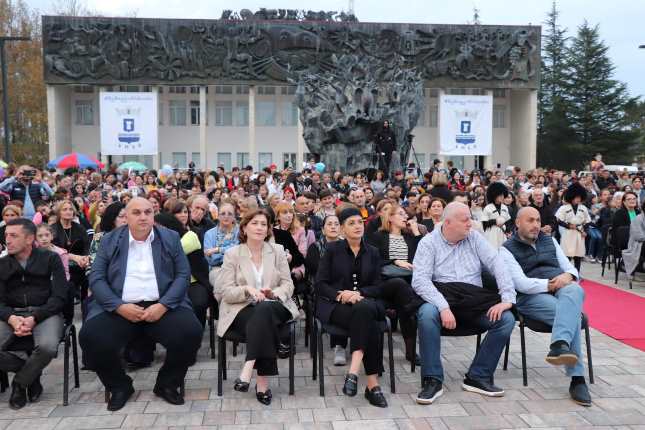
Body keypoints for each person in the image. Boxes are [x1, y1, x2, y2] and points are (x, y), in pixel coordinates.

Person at [79, 198, 202, 411]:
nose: (143, 217)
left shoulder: (170, 238)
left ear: (154, 215)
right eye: (136, 212)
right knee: (91, 337)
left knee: (191, 332)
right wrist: (118, 306)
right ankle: (119, 386)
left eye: (148, 212)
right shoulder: (110, 240)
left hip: (162, 305)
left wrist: (163, 305)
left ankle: (167, 384)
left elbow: (183, 275)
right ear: (126, 217)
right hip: (120, 307)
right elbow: (97, 278)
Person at [315, 207, 421, 408]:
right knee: (370, 319)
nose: (357, 226)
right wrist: (341, 294)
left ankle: (354, 373)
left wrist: (360, 294)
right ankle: (372, 386)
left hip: (364, 302)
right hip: (336, 306)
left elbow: (377, 285)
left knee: (364, 310)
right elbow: (320, 284)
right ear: (342, 230)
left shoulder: (372, 252)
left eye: (359, 222)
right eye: (351, 223)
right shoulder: (332, 250)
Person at [412, 202, 516, 404]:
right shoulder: (428, 242)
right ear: (448, 222)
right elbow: (420, 281)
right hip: (442, 299)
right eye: (465, 219)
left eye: (471, 218)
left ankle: (478, 376)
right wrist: (443, 307)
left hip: (473, 302)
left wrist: (507, 299)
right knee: (426, 314)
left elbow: (497, 264)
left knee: (506, 319)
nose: (471, 223)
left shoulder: (475, 238)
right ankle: (432, 379)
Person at [500, 207, 591, 406]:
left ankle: (559, 345)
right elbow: (521, 283)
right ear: (517, 223)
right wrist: (550, 284)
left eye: (538, 220)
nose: (535, 225)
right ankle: (577, 379)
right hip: (531, 297)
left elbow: (570, 268)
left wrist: (568, 276)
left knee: (575, 290)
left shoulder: (549, 240)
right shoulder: (506, 249)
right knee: (573, 315)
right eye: (530, 220)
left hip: (560, 288)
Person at [216, 209, 300, 405]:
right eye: (255, 223)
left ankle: (248, 365)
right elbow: (226, 291)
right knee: (263, 318)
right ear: (244, 227)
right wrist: (247, 289)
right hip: (242, 308)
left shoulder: (277, 251)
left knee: (265, 309)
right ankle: (262, 384)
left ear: (268, 229)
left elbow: (289, 284)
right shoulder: (232, 254)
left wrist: (274, 293)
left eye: (264, 224)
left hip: (276, 304)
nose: (260, 227)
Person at [0, 219, 68, 409]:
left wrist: (35, 318)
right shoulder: (2, 264)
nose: (8, 240)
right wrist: (12, 318)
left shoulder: (50, 258)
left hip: (44, 313)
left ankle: (20, 383)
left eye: (13, 235)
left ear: (30, 238)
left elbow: (60, 296)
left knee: (47, 347)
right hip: (11, 315)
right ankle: (30, 373)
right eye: (6, 235)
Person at [367, 203, 422, 364]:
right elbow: (372, 260)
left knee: (406, 301)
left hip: (408, 282)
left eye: (405, 215)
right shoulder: (378, 236)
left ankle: (411, 351)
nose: (405, 217)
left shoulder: (410, 237)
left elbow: (424, 254)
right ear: (390, 218)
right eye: (400, 214)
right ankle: (411, 352)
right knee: (403, 291)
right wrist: (395, 261)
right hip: (385, 282)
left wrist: (416, 231)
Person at [51, 200, 90, 299]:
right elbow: (53, 250)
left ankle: (85, 307)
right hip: (61, 266)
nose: (68, 212)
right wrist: (73, 257)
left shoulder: (80, 228)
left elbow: (87, 245)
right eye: (65, 209)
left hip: (80, 265)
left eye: (71, 209)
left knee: (86, 280)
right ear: (59, 212)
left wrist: (85, 258)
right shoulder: (52, 229)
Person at [555, 183, 591, 272]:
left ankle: (577, 273)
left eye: (579, 197)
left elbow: (588, 221)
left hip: (579, 233)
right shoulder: (564, 208)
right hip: (568, 233)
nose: (578, 199)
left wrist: (585, 230)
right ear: (571, 197)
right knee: (567, 254)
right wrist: (568, 225)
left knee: (578, 255)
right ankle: (565, 273)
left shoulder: (583, 208)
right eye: (576, 197)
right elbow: (558, 220)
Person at [204, 201, 240, 271]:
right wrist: (230, 255)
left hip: (237, 268)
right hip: (217, 269)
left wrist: (217, 250)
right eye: (223, 214)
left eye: (230, 214)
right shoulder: (209, 234)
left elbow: (238, 251)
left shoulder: (239, 232)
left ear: (234, 217)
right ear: (218, 216)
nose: (226, 216)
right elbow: (211, 260)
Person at [481, 182, 511, 248]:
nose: (502, 197)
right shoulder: (488, 208)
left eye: (503, 195)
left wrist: (508, 231)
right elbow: (484, 224)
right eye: (499, 195)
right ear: (494, 195)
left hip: (503, 234)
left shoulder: (505, 207)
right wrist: (495, 221)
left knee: (504, 251)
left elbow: (508, 221)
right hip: (491, 234)